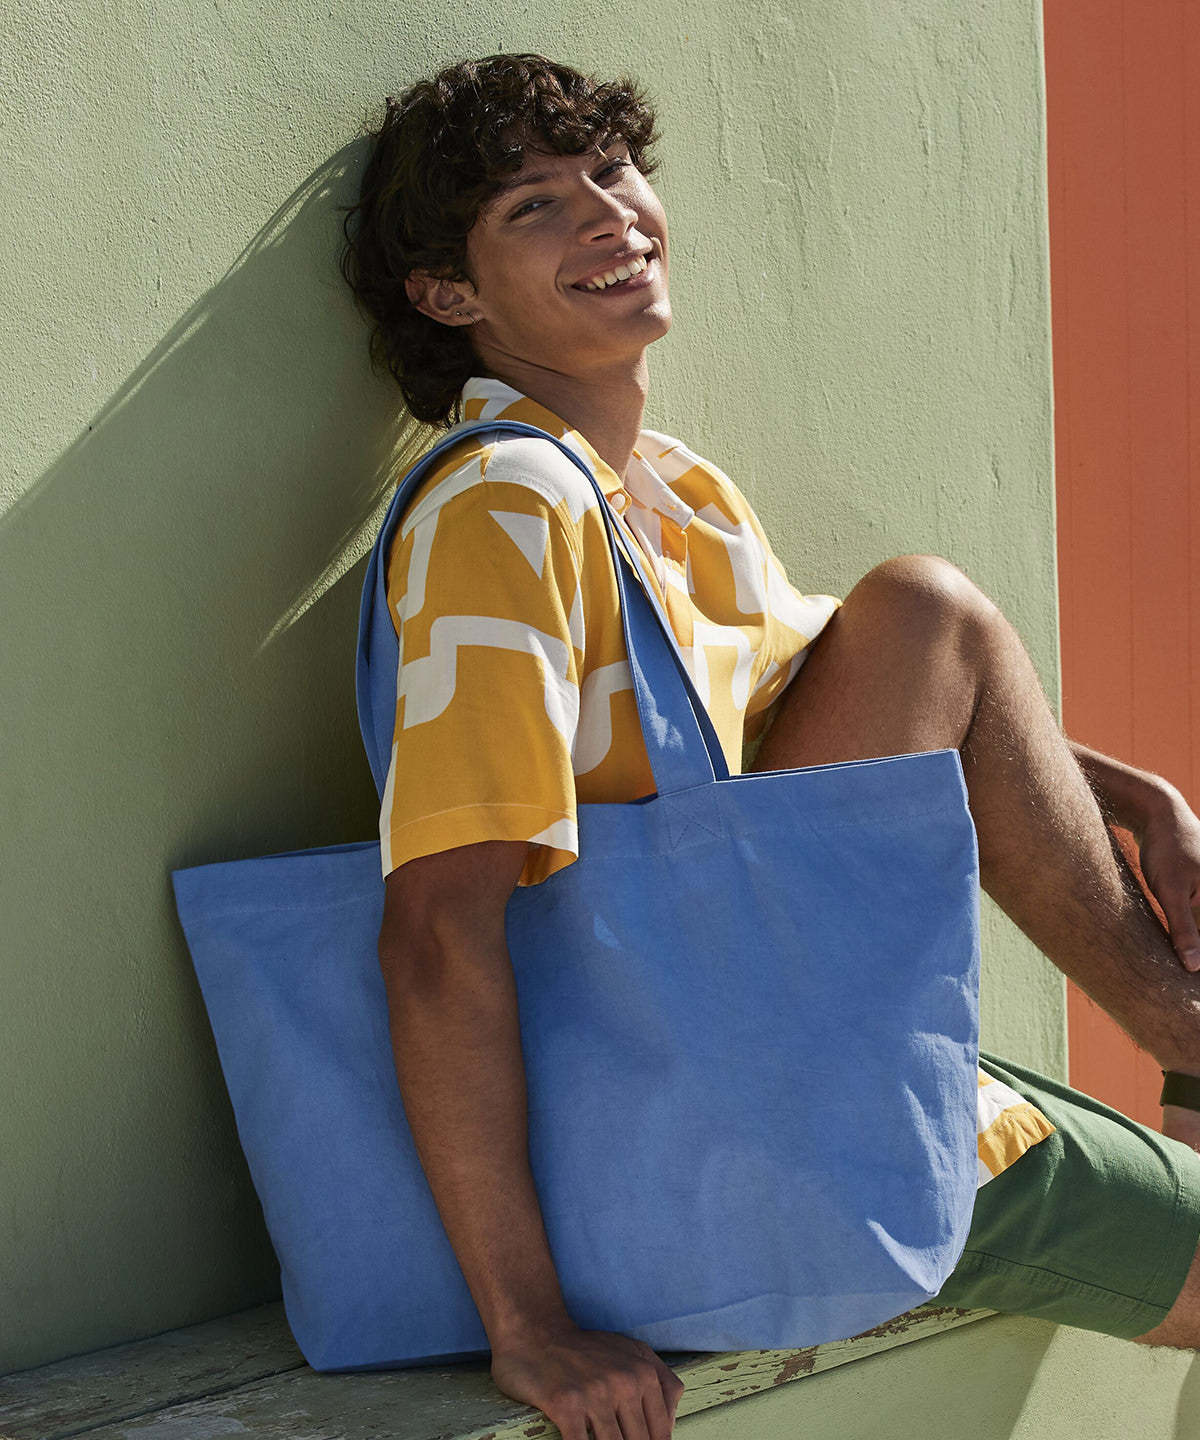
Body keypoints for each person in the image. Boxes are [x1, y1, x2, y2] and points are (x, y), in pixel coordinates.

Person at [341, 53, 1200, 1440]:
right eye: (535, 207)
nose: (607, 213)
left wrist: (1134, 794)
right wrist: (531, 1327)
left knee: (923, 614)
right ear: (448, 294)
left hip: (803, 1051)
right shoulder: (504, 513)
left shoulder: (664, 490)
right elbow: (437, 929)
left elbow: (898, 694)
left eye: (612, 172)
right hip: (741, 1129)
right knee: (926, 602)